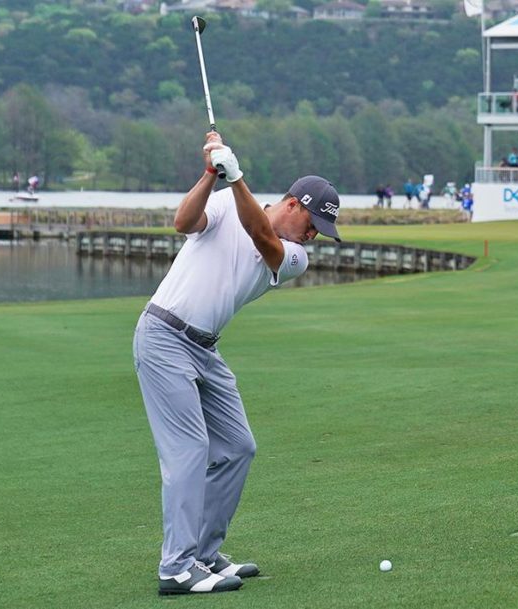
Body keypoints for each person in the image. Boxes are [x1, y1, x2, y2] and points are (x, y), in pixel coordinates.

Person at [133, 131, 341, 596]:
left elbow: (261, 236)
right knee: (188, 451)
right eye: (312, 225)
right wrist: (211, 174)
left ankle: (204, 553)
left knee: (238, 446)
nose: (313, 237)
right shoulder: (227, 202)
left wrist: (236, 175)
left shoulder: (294, 258)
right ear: (294, 202)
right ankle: (177, 567)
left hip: (205, 348)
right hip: (163, 335)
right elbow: (183, 222)